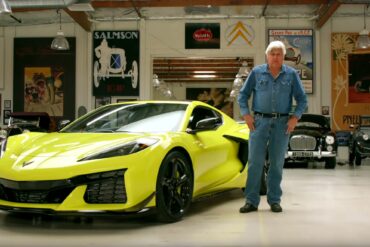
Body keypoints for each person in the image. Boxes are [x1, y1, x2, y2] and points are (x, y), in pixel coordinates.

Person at [237, 40, 307, 213]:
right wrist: (246, 115)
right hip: (259, 123)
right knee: (255, 163)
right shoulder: (256, 72)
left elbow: (302, 99)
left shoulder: (291, 75)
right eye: (272, 54)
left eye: (279, 54)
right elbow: (242, 95)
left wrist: (294, 118)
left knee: (276, 163)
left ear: (284, 57)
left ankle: (274, 199)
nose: (275, 57)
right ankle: (251, 201)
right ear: (267, 56)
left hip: (282, 124)